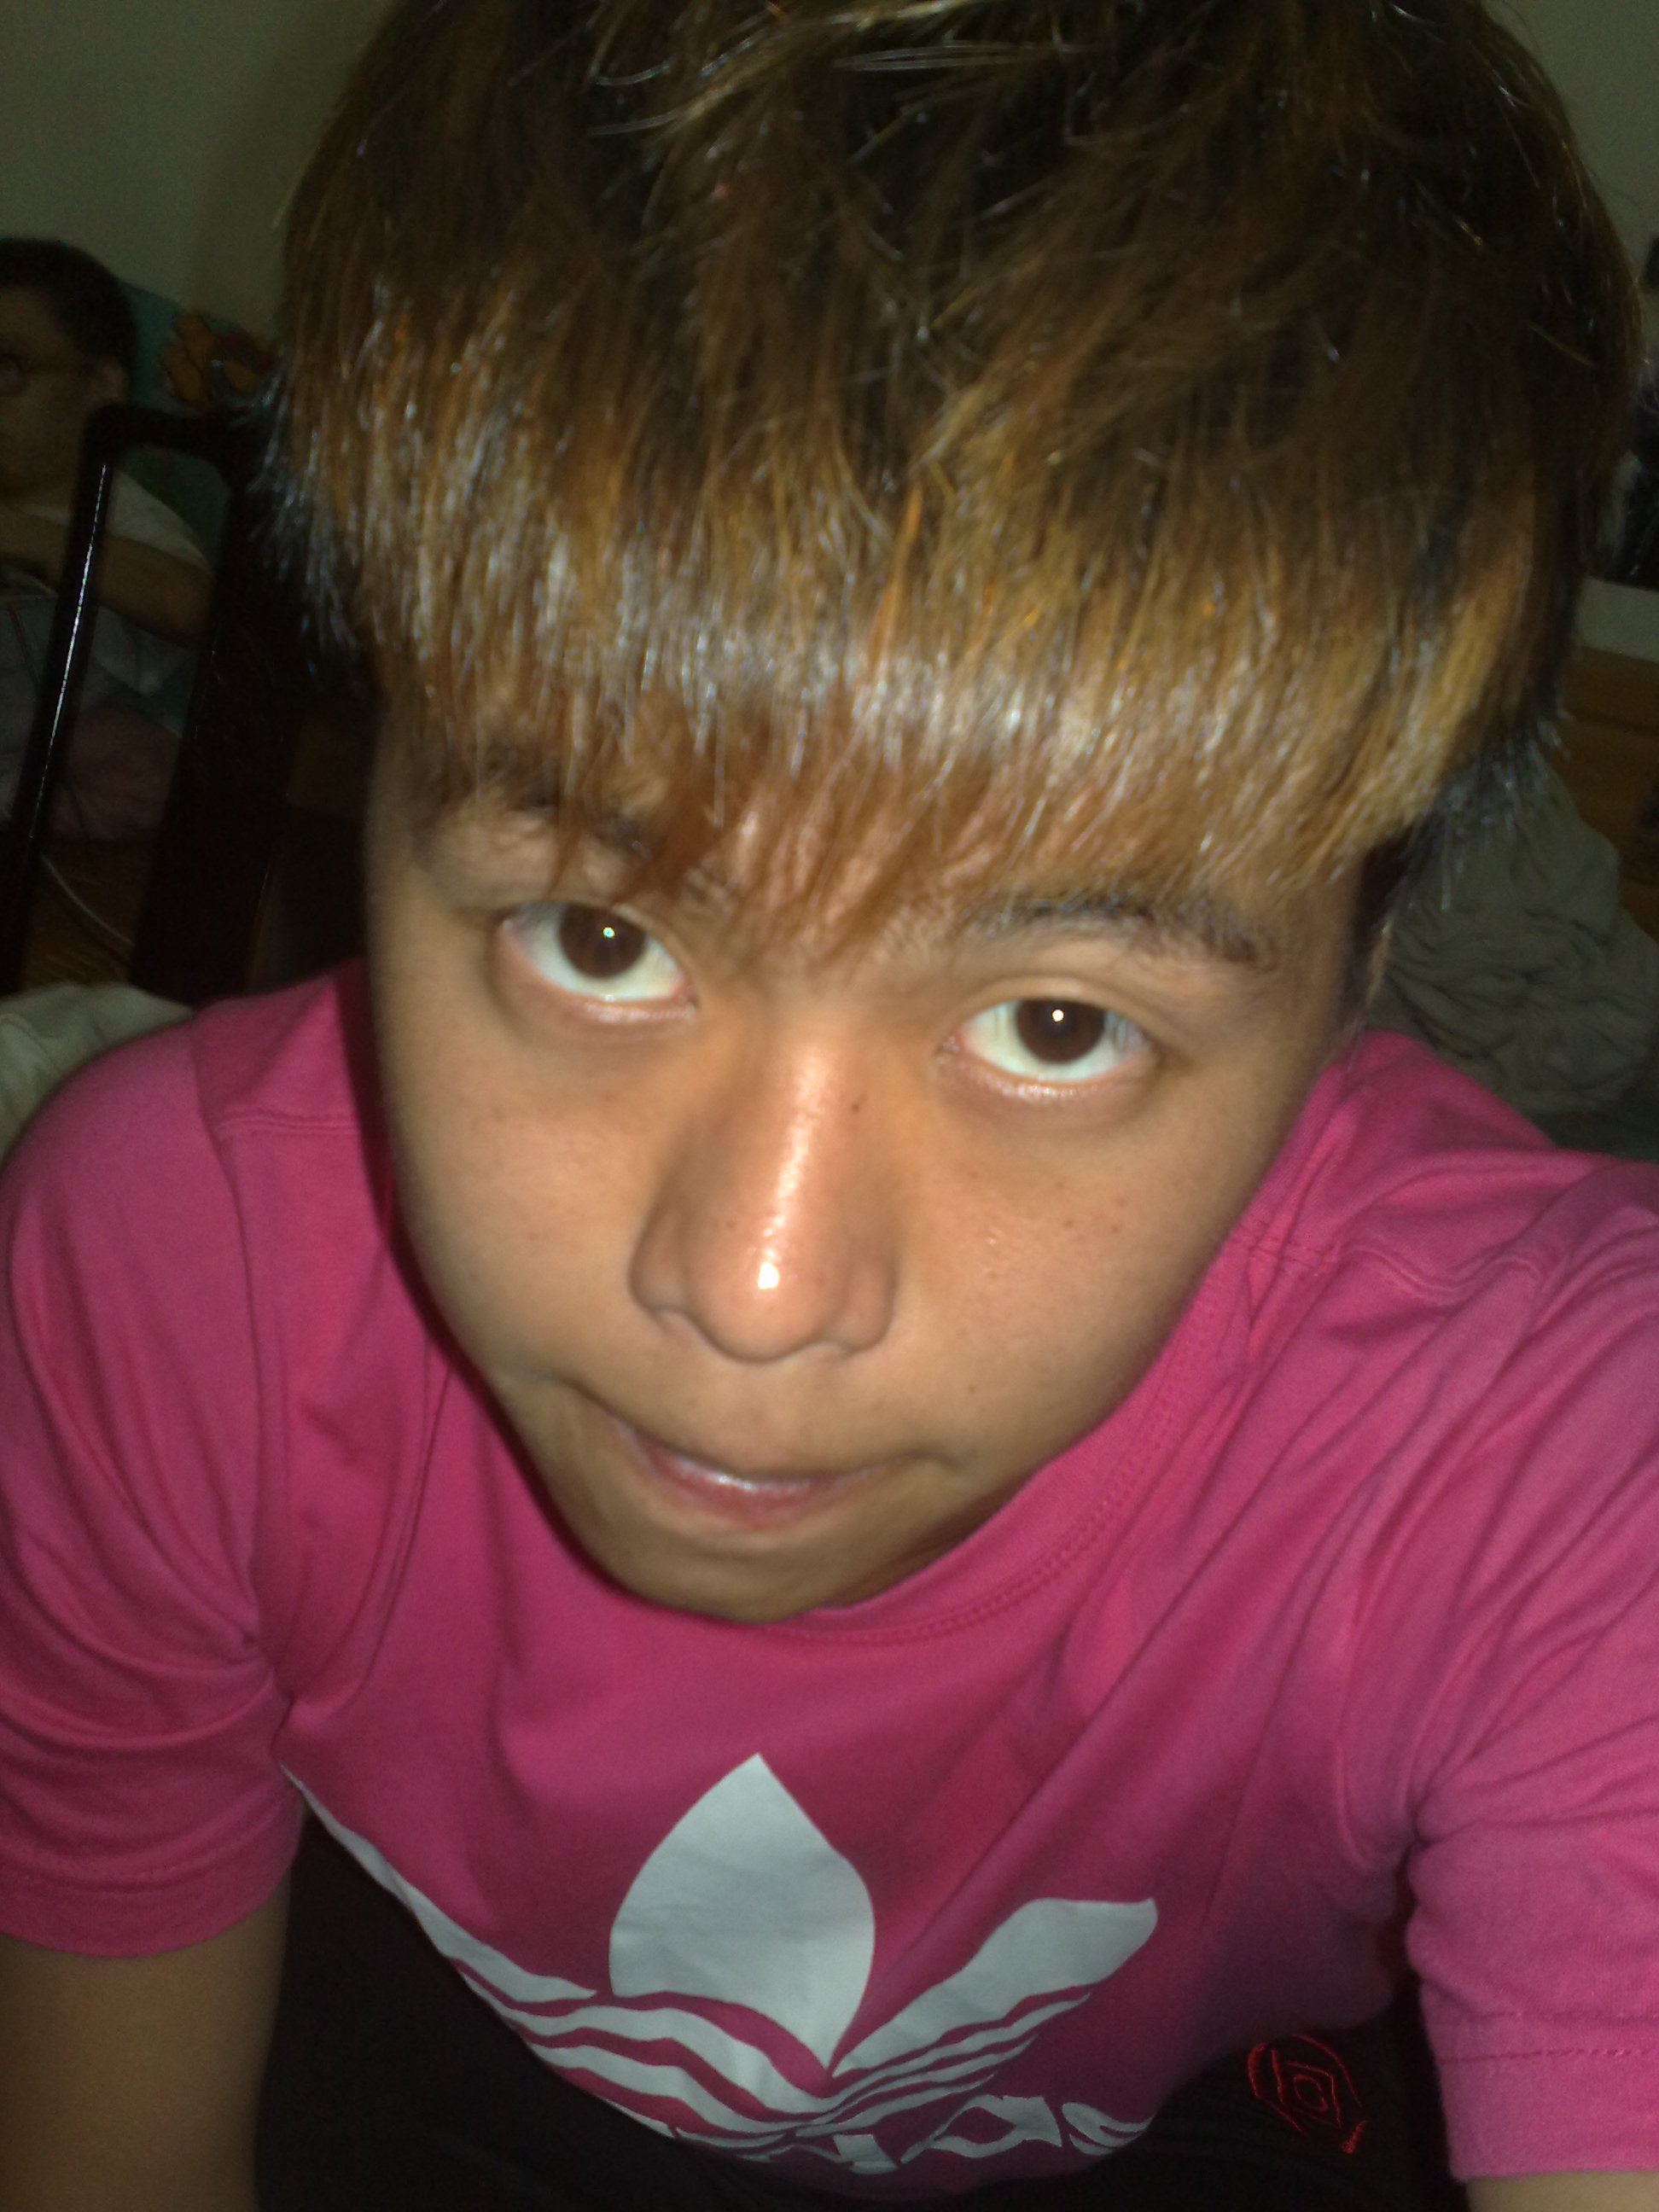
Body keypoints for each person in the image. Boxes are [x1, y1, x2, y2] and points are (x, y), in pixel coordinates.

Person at [0, 3, 1656, 2209]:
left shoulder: (1556, 1451)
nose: (758, 1292)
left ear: (1360, 970)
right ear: (373, 785)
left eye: (1055, 1024)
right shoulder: (171, 1271)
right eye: (603, 939)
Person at [0, 238, 212, 836]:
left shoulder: (118, 511)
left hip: (35, 752)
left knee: (142, 769)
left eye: (7, 369)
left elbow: (193, 606)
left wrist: (27, 536)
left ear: (101, 384)